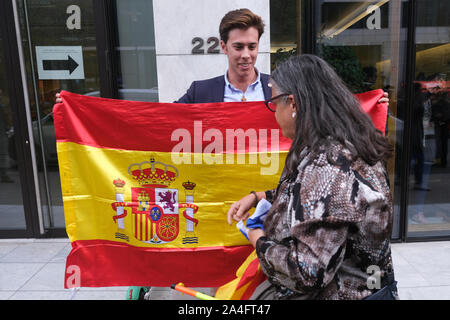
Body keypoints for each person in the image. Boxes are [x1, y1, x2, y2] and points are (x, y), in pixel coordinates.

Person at [227, 54, 397, 300]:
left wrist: (259, 241)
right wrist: (259, 197)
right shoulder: (345, 146)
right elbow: (321, 204)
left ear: (293, 104)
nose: (274, 114)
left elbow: (306, 273)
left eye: (275, 102)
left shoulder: (329, 165)